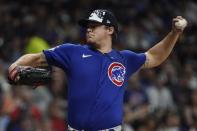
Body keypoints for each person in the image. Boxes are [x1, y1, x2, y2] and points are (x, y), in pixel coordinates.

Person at [8, 9, 187, 131]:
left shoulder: (124, 59)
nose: (88, 29)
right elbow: (36, 57)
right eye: (88, 26)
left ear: (110, 29)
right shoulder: (72, 52)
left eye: (94, 26)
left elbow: (155, 57)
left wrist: (174, 34)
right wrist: (16, 64)